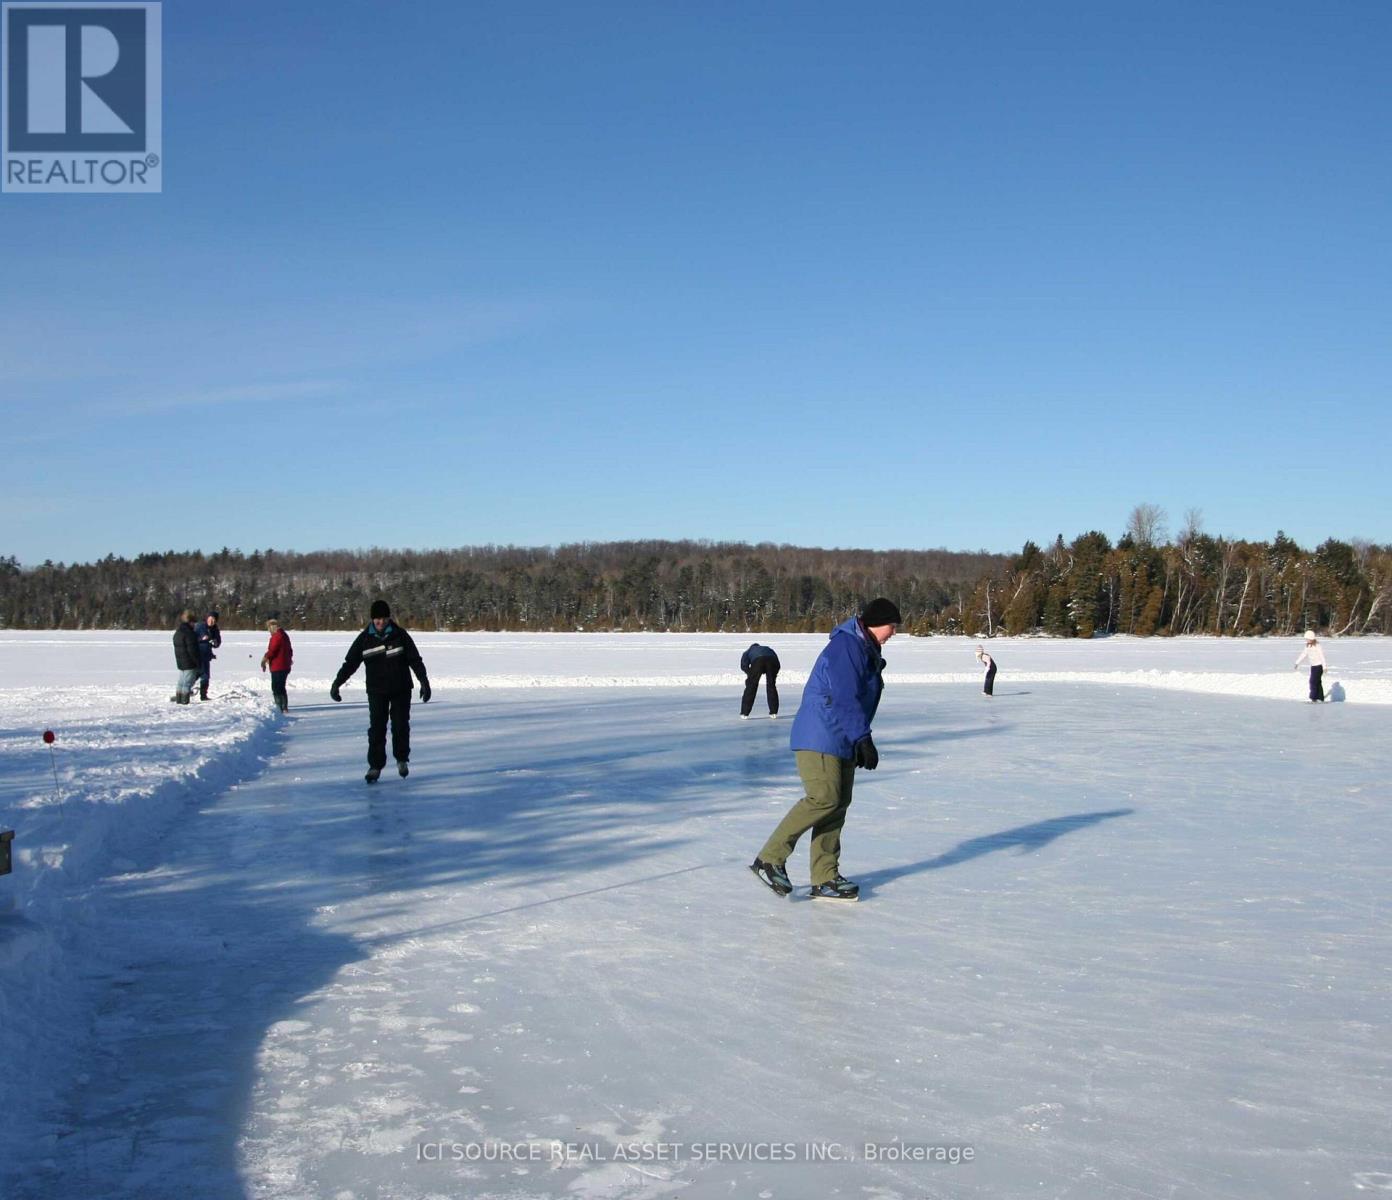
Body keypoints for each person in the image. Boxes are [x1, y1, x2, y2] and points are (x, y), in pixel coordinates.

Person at [750, 597, 900, 901]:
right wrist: (863, 737)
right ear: (876, 623)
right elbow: (844, 696)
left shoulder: (865, 648)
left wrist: (857, 738)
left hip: (840, 736)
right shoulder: (847, 646)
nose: (894, 632)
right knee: (824, 797)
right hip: (820, 734)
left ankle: (825, 876)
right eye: (892, 625)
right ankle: (769, 858)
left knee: (838, 803)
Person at [331, 599, 431, 782]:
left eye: (384, 619)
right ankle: (375, 766)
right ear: (372, 619)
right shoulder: (364, 639)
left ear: (389, 618)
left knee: (400, 725)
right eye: (377, 619)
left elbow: (415, 659)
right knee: (377, 728)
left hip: (401, 688)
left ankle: (401, 759)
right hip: (376, 690)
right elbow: (350, 663)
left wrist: (424, 682)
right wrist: (337, 683)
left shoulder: (400, 635)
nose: (381, 622)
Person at [739, 643, 781, 718]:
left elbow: (744, 665)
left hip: (758, 661)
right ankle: (773, 712)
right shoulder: (768, 648)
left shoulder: (748, 651)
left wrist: (750, 675)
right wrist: (773, 674)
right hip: (772, 660)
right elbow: (777, 664)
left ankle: (744, 713)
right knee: (771, 685)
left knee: (751, 687)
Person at [260, 618, 294, 713]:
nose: (269, 630)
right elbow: (290, 651)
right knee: (281, 686)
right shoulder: (284, 635)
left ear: (272, 626)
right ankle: (284, 706)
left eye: (269, 628)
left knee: (276, 687)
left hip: (278, 666)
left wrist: (265, 659)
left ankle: (280, 707)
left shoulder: (277, 636)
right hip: (285, 665)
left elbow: (272, 650)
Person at [171, 609, 200, 705]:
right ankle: (185, 700)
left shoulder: (178, 632)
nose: (195, 625)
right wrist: (197, 661)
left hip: (181, 662)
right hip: (189, 662)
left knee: (181, 682)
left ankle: (179, 699)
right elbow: (192, 650)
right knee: (187, 683)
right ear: (190, 622)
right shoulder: (190, 634)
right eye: (194, 623)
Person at [193, 610, 222, 701]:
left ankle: (203, 695)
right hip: (198, 654)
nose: (211, 621)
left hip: (207, 655)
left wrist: (215, 643)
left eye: (214, 620)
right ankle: (185, 690)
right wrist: (201, 639)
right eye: (210, 619)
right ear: (207, 618)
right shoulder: (200, 626)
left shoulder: (215, 629)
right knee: (199, 674)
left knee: (204, 675)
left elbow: (218, 642)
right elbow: (191, 638)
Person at [1294, 630, 1327, 702]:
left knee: (1312, 681)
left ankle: (1313, 698)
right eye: (1306, 639)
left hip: (1319, 666)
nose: (1306, 640)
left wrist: (1324, 667)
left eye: (1307, 639)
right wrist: (1297, 662)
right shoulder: (1308, 646)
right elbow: (1303, 654)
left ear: (1311, 638)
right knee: (1317, 682)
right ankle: (1320, 698)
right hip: (1313, 667)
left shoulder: (1317, 646)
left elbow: (1322, 656)